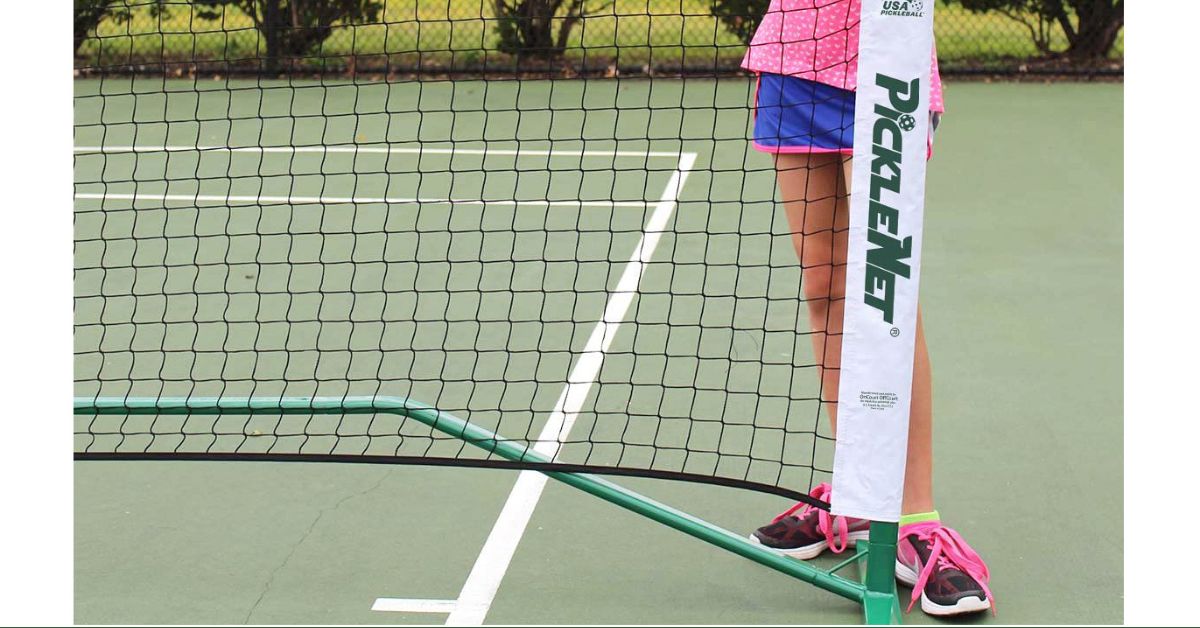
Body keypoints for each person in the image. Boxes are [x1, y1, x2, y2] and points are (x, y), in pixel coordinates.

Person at [739, 0, 994, 617]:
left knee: (889, 293)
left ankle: (916, 517)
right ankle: (855, 494)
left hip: (889, 68)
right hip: (793, 60)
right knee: (824, 290)